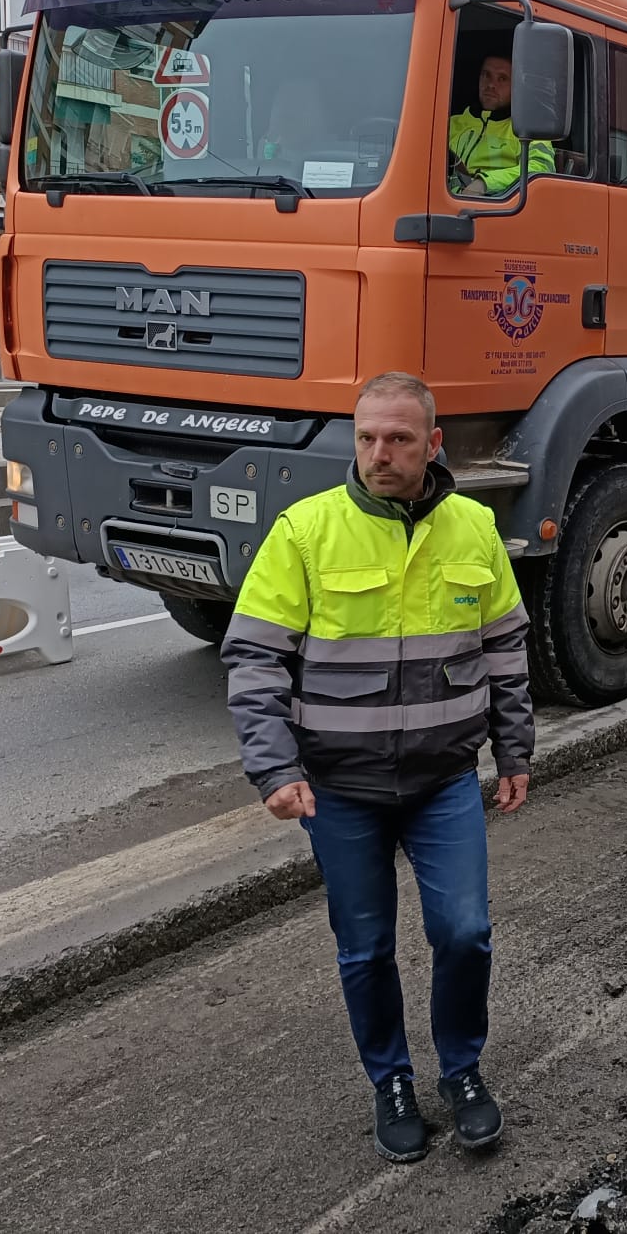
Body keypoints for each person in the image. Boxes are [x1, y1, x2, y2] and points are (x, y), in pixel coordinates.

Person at [222, 372, 535, 1164]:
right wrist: (274, 768)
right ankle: (391, 1082)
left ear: (434, 444)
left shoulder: (473, 529)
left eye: (398, 439)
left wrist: (514, 748)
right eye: (366, 438)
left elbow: (506, 650)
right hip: (341, 792)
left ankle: (461, 1072)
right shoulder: (304, 531)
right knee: (365, 949)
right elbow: (255, 658)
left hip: (442, 783)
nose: (379, 454)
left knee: (465, 933)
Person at [449, 54, 555, 197]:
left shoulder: (529, 130)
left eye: (502, 78)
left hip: (493, 211)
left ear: (516, 87)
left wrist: (485, 183)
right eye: (486, 75)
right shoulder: (449, 123)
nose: (491, 85)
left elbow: (542, 169)